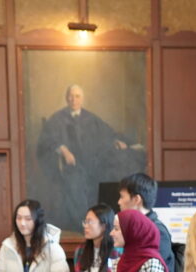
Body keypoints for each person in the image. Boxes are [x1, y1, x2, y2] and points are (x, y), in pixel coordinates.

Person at [37, 85, 138, 223]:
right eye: (71, 96)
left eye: (77, 96)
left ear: (82, 99)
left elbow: (106, 133)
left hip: (91, 165)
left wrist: (115, 140)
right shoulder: (57, 119)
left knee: (106, 179)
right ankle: (80, 223)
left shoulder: (90, 118)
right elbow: (47, 140)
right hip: (70, 167)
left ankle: (98, 222)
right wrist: (63, 150)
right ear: (66, 98)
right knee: (75, 186)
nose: (74, 100)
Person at [118, 173, 177, 272]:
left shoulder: (157, 231)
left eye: (122, 196)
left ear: (137, 199)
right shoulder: (133, 230)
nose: (119, 202)